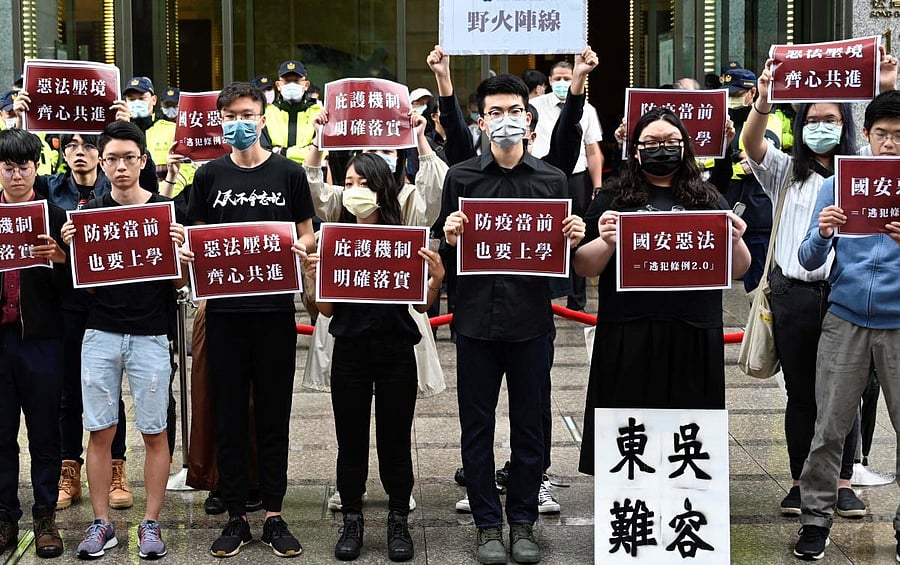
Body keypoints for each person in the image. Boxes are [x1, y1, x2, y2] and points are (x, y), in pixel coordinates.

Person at [429, 44, 596, 518]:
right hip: (476, 320)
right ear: (482, 122)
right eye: (494, 112)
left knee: (530, 421)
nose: (505, 119)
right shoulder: (462, 178)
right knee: (476, 424)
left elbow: (568, 140)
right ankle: (484, 514)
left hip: (531, 321)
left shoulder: (551, 179)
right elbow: (444, 240)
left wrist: (574, 233)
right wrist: (451, 233)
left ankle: (523, 512)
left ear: (529, 119)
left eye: (515, 111)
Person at [740, 50, 899, 520]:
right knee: (803, 396)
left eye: (831, 119)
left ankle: (843, 481)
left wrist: (884, 84)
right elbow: (752, 145)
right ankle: (799, 483)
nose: (822, 127)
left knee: (846, 397)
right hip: (792, 294)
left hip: (842, 297)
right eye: (813, 119)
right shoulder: (788, 170)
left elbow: (885, 130)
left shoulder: (861, 173)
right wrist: (763, 100)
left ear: (847, 127)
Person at [574, 107, 750, 474]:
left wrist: (734, 239)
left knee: (686, 430)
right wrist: (607, 241)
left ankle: (686, 503)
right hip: (629, 329)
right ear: (635, 150)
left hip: (692, 329)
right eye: (651, 142)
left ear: (686, 148)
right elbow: (584, 265)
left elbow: (739, 268)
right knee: (629, 430)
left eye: (671, 142)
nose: (661, 149)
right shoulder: (613, 198)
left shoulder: (707, 198)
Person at [185, 81, 315, 558]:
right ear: (221, 120)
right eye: (230, 115)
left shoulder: (288, 173)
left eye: (247, 113)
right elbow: (197, 235)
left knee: (275, 414)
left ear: (262, 118)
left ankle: (275, 514)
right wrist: (188, 253)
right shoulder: (208, 176)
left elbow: (307, 231)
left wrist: (306, 249)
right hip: (224, 314)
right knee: (230, 415)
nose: (239, 122)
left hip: (274, 313)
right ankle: (237, 515)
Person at [302, 112, 447, 512]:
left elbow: (435, 190)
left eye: (364, 184)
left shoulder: (406, 218)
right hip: (349, 345)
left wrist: (419, 138)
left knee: (394, 436)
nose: (355, 190)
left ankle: (398, 506)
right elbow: (314, 187)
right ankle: (352, 506)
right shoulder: (337, 222)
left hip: (397, 345)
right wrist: (319, 137)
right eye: (349, 183)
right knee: (350, 437)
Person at [60, 121, 185, 560]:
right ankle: (102, 525)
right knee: (100, 431)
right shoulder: (89, 216)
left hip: (152, 335)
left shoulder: (166, 211)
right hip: (100, 334)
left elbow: (178, 283)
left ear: (143, 161)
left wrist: (180, 253)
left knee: (155, 431)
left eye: (128, 158)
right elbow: (85, 286)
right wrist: (71, 253)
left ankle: (150, 524)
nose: (119, 166)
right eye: (111, 158)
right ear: (101, 161)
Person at [791, 86, 900, 561]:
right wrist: (823, 231)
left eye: (899, 135)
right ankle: (815, 520)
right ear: (867, 136)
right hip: (845, 317)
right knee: (830, 426)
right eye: (881, 134)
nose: (890, 144)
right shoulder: (842, 181)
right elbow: (807, 255)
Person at [0, 128, 69, 559]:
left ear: (37, 168)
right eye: (8, 167)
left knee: (45, 432)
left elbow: (81, 284)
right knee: (1, 433)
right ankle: (5, 516)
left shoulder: (56, 217)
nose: (17, 175)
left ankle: (45, 517)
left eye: (24, 166)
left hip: (41, 340)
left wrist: (59, 259)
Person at [530, 59, 604, 311]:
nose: (562, 83)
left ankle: (576, 301)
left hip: (575, 179)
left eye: (567, 78)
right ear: (549, 81)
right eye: (557, 78)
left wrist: (597, 185)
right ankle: (543, 292)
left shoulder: (588, 109)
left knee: (576, 235)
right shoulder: (534, 106)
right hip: (540, 176)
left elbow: (593, 151)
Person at [709, 65, 780, 293]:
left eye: (738, 95)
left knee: (758, 284)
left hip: (757, 211)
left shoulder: (767, 119)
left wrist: (733, 157)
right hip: (727, 206)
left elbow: (755, 162)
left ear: (752, 94)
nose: (732, 100)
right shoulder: (719, 119)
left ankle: (758, 327)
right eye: (729, 94)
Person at [261, 60, 322, 163]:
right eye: (287, 81)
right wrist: (304, 152)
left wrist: (282, 152)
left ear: (306, 85)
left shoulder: (317, 113)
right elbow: (263, 151)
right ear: (279, 85)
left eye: (296, 81)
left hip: (308, 174)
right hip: (275, 173)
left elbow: (320, 152)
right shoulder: (266, 113)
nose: (292, 85)